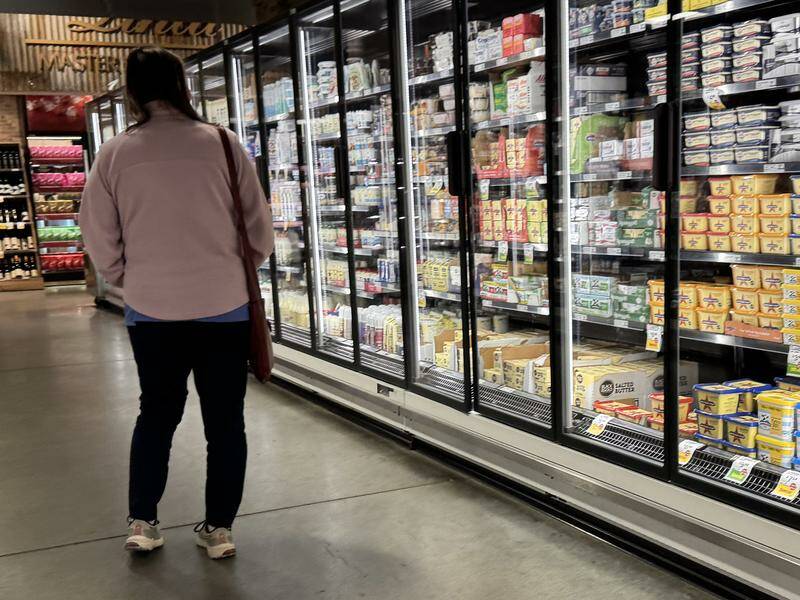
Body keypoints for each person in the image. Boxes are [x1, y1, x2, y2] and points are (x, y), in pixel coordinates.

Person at [80, 47, 273, 559]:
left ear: (134, 91)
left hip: (152, 311)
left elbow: (98, 235)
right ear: (183, 86)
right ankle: (219, 529)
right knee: (226, 421)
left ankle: (144, 521)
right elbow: (259, 229)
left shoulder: (116, 153)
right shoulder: (225, 145)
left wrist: (128, 278)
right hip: (224, 306)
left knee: (157, 415)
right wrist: (234, 267)